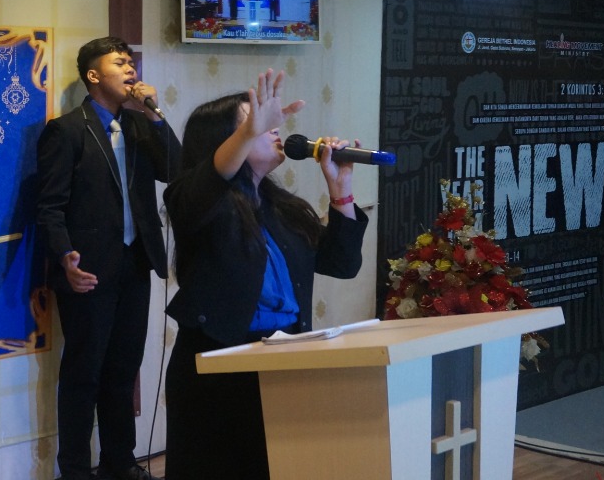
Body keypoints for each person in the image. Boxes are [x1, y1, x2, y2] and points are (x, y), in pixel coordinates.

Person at [161, 69, 367, 480]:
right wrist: (247, 132)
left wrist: (340, 188)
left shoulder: (282, 208)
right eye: (257, 124)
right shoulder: (193, 200)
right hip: (219, 366)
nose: (275, 130)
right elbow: (207, 184)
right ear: (224, 141)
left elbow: (343, 264)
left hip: (284, 360)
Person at [36, 37, 182, 480]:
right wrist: (65, 257)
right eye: (119, 62)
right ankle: (76, 471)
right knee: (83, 374)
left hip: (135, 265)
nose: (130, 69)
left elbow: (175, 170)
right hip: (88, 271)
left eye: (131, 62)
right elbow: (50, 206)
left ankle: (120, 463)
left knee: (123, 370)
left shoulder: (139, 126)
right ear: (93, 75)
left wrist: (154, 115)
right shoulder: (67, 130)